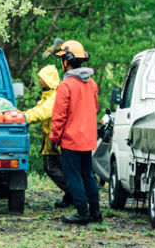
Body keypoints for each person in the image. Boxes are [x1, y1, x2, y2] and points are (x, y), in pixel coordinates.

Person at [49, 39, 102, 225]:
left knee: (73, 177)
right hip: (87, 139)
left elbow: (59, 116)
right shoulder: (92, 84)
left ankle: (82, 213)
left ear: (67, 60)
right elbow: (94, 108)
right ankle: (96, 213)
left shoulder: (65, 86)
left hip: (71, 140)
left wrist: (54, 138)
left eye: (63, 58)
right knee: (88, 175)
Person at [23, 64, 73, 208]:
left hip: (58, 139)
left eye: (42, 78)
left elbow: (42, 112)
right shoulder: (48, 95)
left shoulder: (55, 96)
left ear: (48, 79)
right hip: (51, 139)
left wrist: (22, 117)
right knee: (58, 168)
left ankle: (76, 194)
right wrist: (22, 114)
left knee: (53, 168)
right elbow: (38, 109)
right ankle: (71, 196)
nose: (39, 80)